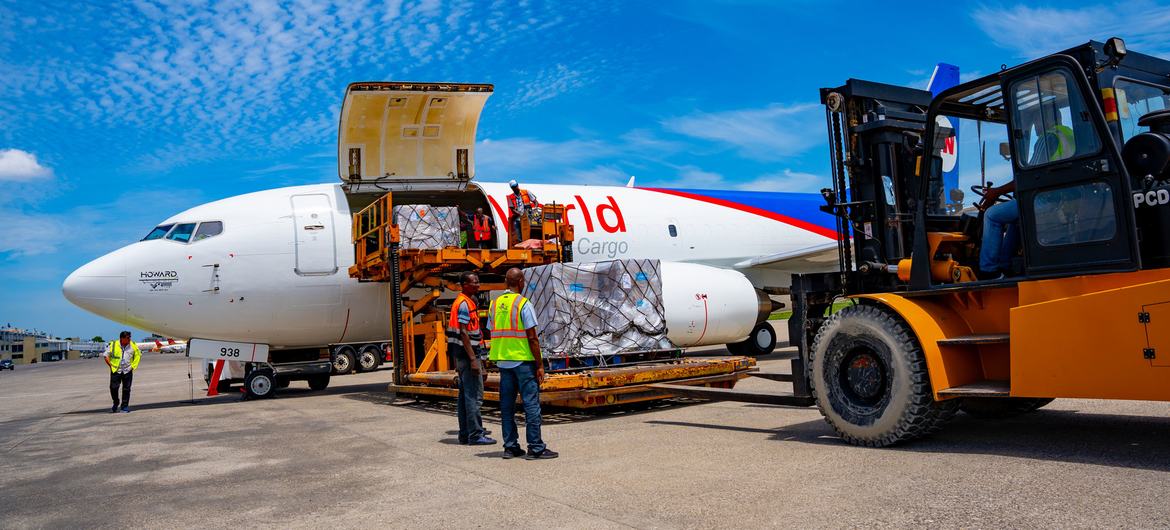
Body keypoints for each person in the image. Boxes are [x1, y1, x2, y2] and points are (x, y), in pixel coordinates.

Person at [488, 268, 558, 460]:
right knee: (531, 405)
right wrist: (540, 365)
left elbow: (491, 330)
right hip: (523, 362)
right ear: (521, 282)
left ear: (505, 282)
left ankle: (510, 447)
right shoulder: (523, 304)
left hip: (503, 362)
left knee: (507, 407)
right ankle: (535, 447)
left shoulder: (494, 305)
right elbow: (532, 337)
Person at [447, 272, 496, 445]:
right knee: (474, 396)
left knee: (465, 397)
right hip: (468, 356)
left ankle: (465, 433)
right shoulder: (463, 304)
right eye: (474, 282)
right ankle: (475, 434)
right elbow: (464, 332)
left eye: (478, 281)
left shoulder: (464, 302)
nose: (478, 284)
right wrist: (474, 360)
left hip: (464, 355)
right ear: (464, 285)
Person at [103, 331, 141, 413]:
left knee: (127, 389)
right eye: (127, 338)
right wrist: (111, 366)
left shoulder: (133, 345)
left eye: (130, 337)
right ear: (122, 338)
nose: (129, 339)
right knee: (113, 388)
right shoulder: (113, 344)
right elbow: (106, 356)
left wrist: (133, 366)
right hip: (116, 370)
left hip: (127, 370)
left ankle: (124, 406)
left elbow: (138, 355)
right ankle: (116, 402)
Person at [505, 179, 539, 245]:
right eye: (514, 187)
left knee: (534, 225)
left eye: (516, 186)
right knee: (516, 224)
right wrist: (520, 214)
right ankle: (521, 242)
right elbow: (512, 210)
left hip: (529, 215)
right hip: (519, 216)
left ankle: (532, 242)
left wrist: (535, 208)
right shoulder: (510, 197)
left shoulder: (526, 192)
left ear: (518, 185)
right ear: (512, 188)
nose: (516, 188)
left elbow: (535, 202)